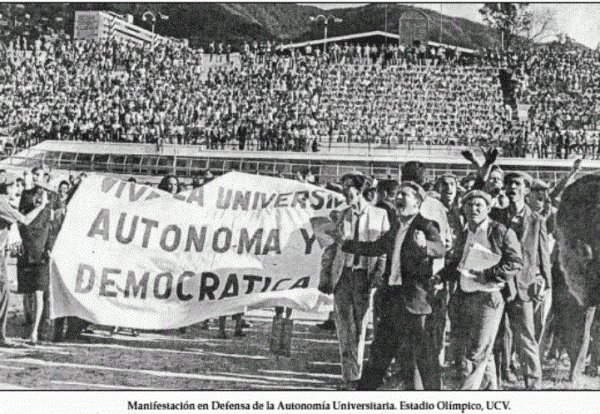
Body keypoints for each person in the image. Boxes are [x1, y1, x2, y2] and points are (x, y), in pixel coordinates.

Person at [343, 181, 445, 390]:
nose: (398, 198)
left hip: (414, 303)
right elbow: (375, 247)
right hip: (393, 300)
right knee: (379, 355)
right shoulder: (396, 227)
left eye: (404, 195)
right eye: (397, 195)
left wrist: (426, 245)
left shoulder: (426, 225)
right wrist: (344, 243)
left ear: (417, 202)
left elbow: (440, 249)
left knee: (425, 360)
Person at [437, 190, 523, 389]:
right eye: (469, 205)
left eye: (478, 205)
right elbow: (457, 262)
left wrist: (487, 274)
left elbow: (515, 262)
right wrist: (440, 276)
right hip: (465, 296)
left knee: (476, 353)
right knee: (483, 351)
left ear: (488, 208)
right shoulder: (467, 232)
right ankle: (491, 391)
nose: (473, 209)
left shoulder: (500, 231)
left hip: (489, 298)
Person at [319, 173, 389, 390]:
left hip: (364, 277)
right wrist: (325, 277)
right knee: (344, 328)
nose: (344, 192)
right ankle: (349, 377)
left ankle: (357, 374)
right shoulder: (340, 215)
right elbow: (330, 249)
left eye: (348, 188)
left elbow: (384, 251)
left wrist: (378, 276)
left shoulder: (380, 215)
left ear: (359, 190)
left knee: (360, 327)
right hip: (343, 276)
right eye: (342, 188)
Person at [490, 171, 551, 389]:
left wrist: (545, 282)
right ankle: (494, 382)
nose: (512, 187)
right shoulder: (495, 216)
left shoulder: (537, 220)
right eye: (509, 183)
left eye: (517, 184)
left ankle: (533, 386)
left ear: (526, 190)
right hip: (497, 285)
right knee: (496, 337)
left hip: (524, 287)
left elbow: (543, 256)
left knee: (526, 338)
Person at [0, 173, 49, 347]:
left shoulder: (5, 203)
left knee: (4, 292)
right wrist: (41, 206)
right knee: (4, 292)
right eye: (15, 185)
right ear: (7, 188)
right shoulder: (2, 203)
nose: (18, 188)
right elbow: (25, 219)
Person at [18, 166, 53, 344]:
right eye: (35, 175)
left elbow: (51, 227)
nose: (37, 179)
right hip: (27, 249)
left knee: (39, 293)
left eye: (40, 175)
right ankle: (31, 325)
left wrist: (49, 247)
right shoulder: (26, 195)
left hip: (41, 252)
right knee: (29, 293)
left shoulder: (52, 199)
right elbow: (22, 222)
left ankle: (35, 332)